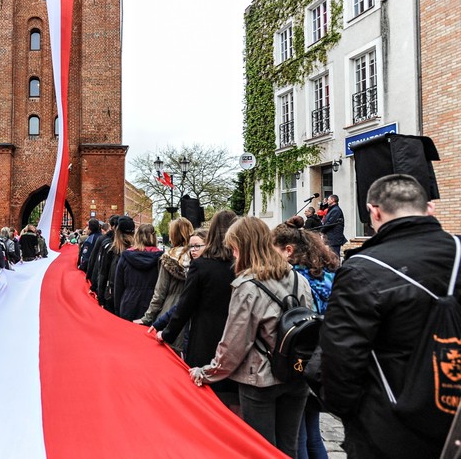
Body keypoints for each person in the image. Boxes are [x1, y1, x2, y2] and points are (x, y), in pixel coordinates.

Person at [314, 174, 459, 458]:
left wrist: (350, 412)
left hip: (390, 424)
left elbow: (340, 357)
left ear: (374, 212)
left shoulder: (362, 269)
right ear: (430, 208)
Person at [189, 216, 312, 457]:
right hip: (296, 373)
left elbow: (234, 343)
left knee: (260, 450)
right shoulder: (299, 279)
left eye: (234, 248)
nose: (233, 255)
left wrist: (207, 372)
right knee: (289, 448)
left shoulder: (248, 286)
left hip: (260, 379)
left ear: (244, 247)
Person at [158, 210, 239, 409]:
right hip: (237, 337)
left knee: (206, 399)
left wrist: (167, 334)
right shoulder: (242, 265)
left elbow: (185, 305)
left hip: (205, 337)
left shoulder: (202, 266)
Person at [272, 222, 339, 459]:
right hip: (324, 357)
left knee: (298, 434)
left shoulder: (294, 278)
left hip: (300, 359)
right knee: (313, 432)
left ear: (288, 250)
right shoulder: (331, 274)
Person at [135, 218, 194, 336]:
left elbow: (160, 292)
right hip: (192, 313)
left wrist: (147, 317)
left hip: (170, 312)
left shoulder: (169, 258)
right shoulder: (197, 258)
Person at [113, 223, 162, 320]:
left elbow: (118, 285)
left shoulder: (126, 256)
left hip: (129, 302)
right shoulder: (160, 258)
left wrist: (117, 308)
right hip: (152, 304)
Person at [98, 216, 135, 315]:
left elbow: (103, 273)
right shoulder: (139, 252)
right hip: (132, 301)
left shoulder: (112, 250)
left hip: (113, 298)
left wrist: (100, 297)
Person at [321, 194, 347, 259]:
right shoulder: (332, 210)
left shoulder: (336, 210)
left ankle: (336, 269)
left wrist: (321, 231)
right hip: (331, 238)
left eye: (328, 200)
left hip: (334, 238)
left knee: (334, 257)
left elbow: (329, 223)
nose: (327, 201)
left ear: (333, 200)